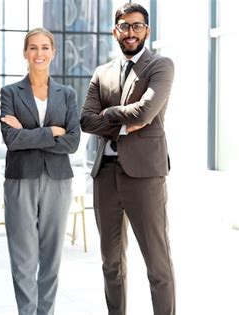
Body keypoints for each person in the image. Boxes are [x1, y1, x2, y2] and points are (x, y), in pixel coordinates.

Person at [80, 3, 175, 315]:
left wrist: (107, 114)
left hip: (145, 176)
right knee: (111, 263)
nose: (130, 32)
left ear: (146, 30)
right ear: (115, 30)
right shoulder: (101, 73)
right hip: (105, 174)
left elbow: (146, 112)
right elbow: (85, 120)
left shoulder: (160, 67)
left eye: (137, 26)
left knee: (157, 265)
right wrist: (123, 120)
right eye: (125, 26)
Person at [0, 27, 80, 315]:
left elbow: (72, 141)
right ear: (25, 53)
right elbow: (11, 139)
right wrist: (51, 132)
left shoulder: (67, 94)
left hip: (58, 180)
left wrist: (30, 134)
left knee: (51, 257)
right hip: (21, 179)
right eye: (33, 47)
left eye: (45, 47)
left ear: (53, 52)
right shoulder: (9, 93)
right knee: (23, 257)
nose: (39, 53)